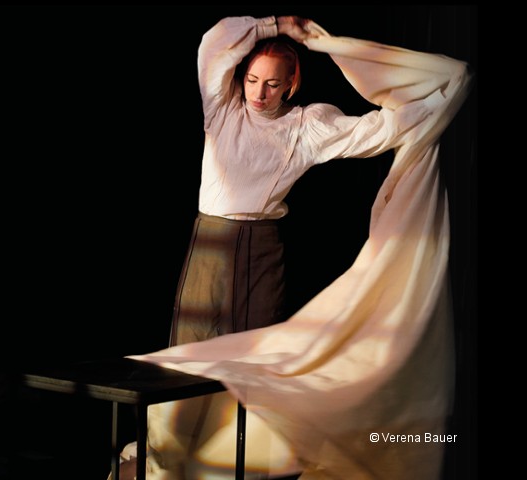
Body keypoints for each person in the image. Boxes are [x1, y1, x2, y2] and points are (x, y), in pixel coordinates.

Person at [115, 14, 471, 479]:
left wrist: (437, 102)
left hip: (261, 253)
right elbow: (213, 44)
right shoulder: (222, 110)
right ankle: (167, 457)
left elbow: (380, 130)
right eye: (252, 80)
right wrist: (276, 25)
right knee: (188, 358)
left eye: (272, 84)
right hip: (209, 247)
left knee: (254, 364)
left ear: (290, 85)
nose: (260, 93)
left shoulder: (307, 126)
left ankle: (237, 465)